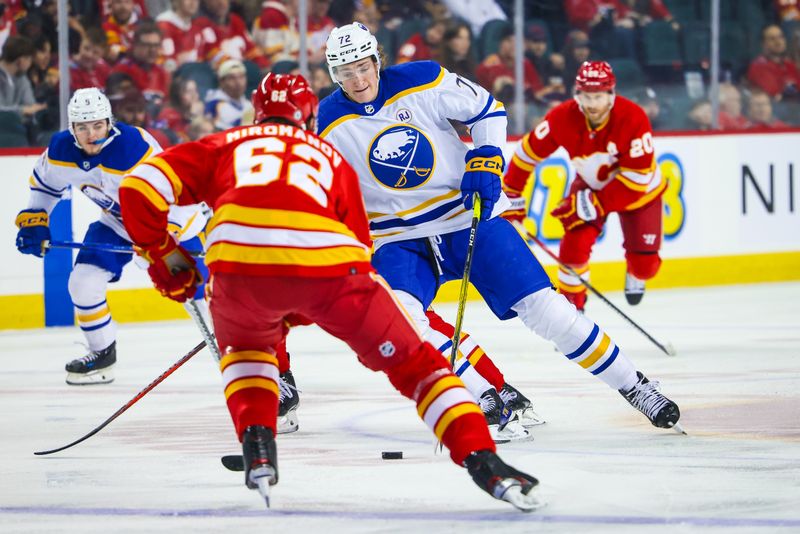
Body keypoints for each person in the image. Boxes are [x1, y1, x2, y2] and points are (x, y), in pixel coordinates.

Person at [117, 72, 542, 511]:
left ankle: (259, 446)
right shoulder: (330, 155)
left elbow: (138, 188)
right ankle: (482, 459)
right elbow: (358, 246)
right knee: (417, 366)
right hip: (330, 271)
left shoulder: (225, 144)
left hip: (238, 274)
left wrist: (164, 255)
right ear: (308, 115)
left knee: (247, 353)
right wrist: (315, 306)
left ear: (256, 112)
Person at [318, 24, 681, 433]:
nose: (358, 79)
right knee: (404, 319)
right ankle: (483, 396)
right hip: (397, 236)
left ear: (377, 60)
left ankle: (635, 386)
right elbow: (332, 183)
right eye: (346, 72)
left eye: (363, 66)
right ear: (334, 74)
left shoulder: (421, 78)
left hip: (465, 214)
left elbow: (487, 109)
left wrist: (487, 154)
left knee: (548, 310)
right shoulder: (328, 118)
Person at [14, 87, 209, 385]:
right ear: (72, 128)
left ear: (109, 122)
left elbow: (174, 198)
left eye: (97, 125)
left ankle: (239, 358)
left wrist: (163, 243)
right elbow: (45, 186)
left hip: (172, 224)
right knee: (82, 282)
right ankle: (101, 354)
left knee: (202, 298)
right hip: (118, 223)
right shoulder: (60, 151)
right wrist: (35, 220)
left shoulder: (135, 149)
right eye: (82, 127)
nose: (91, 134)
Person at [504, 60, 664, 311]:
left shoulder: (633, 117)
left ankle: (636, 272)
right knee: (573, 249)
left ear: (612, 94)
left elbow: (637, 181)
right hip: (590, 186)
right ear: (576, 94)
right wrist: (512, 196)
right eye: (585, 96)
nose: (591, 104)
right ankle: (573, 311)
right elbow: (527, 153)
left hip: (639, 194)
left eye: (598, 96)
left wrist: (595, 203)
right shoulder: (562, 117)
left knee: (645, 266)